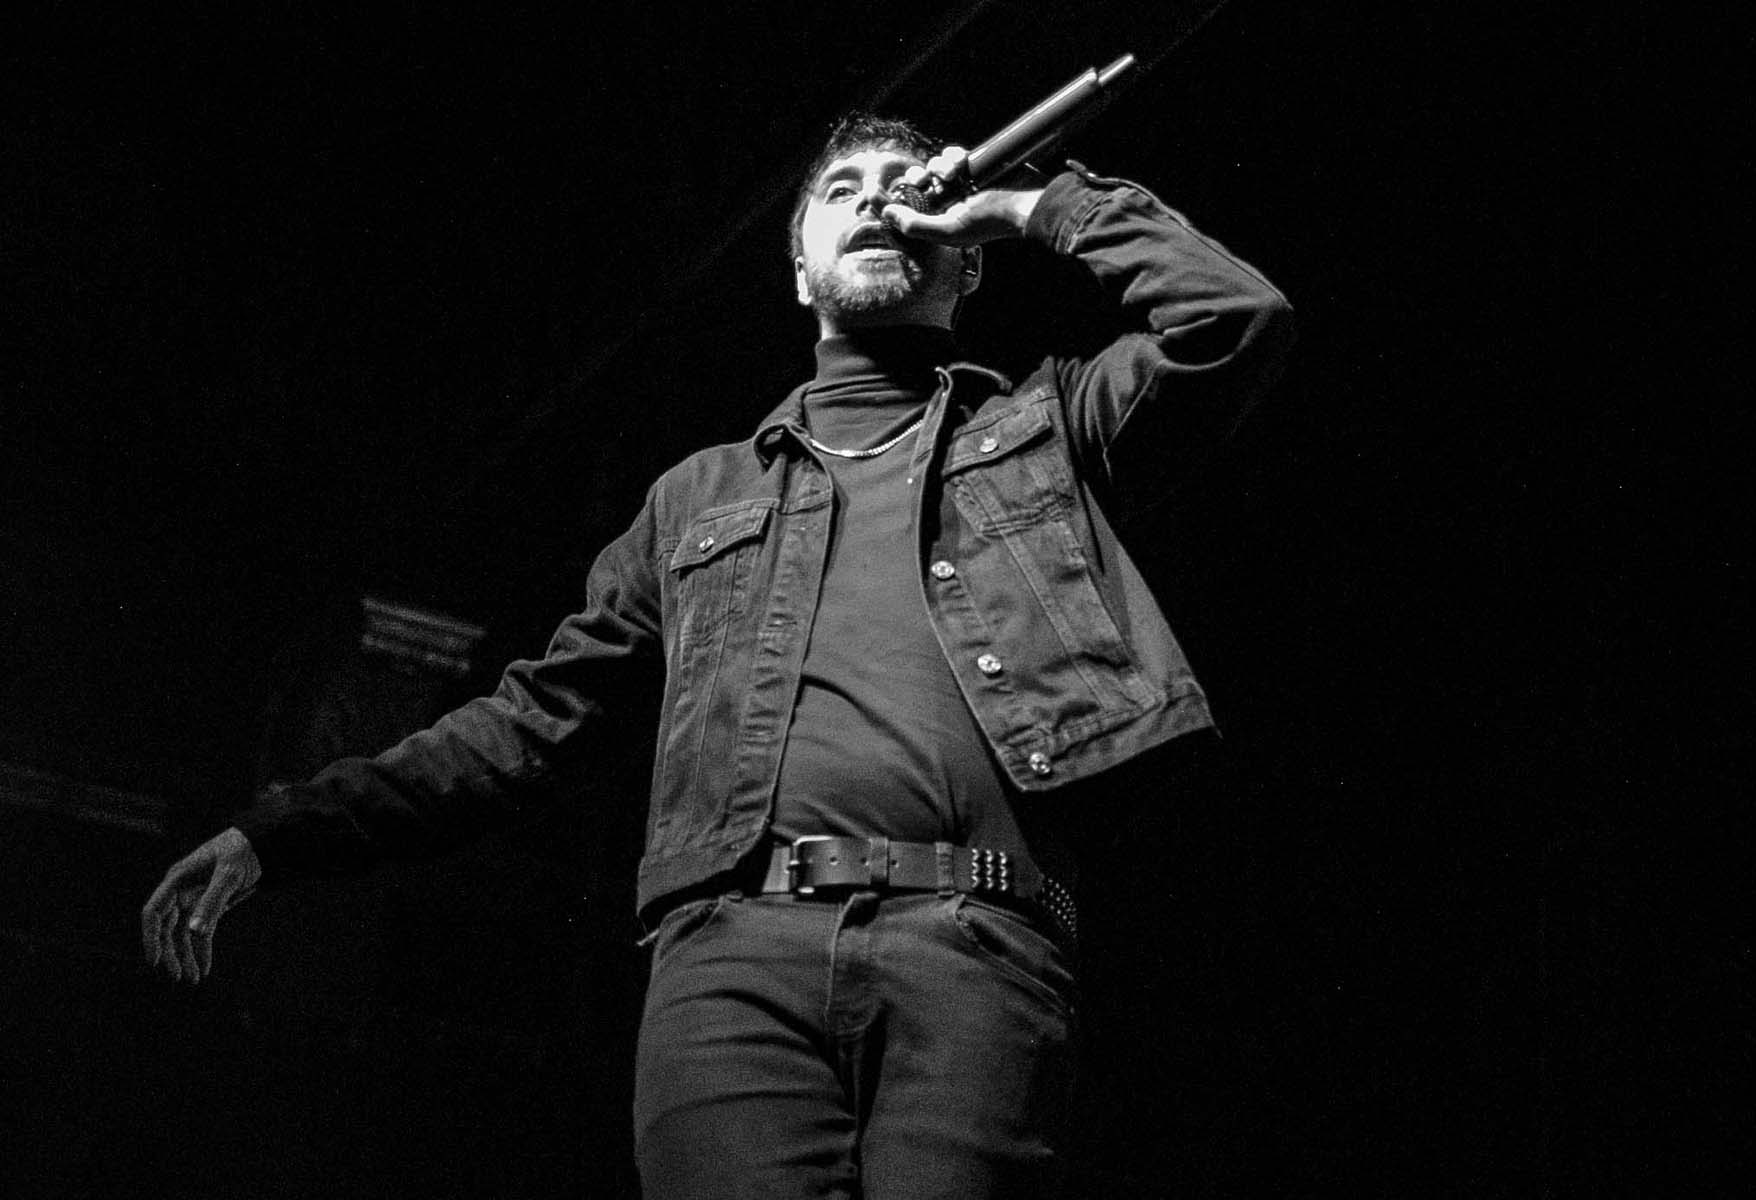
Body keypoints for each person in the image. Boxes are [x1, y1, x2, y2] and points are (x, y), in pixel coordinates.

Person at [142, 112, 1293, 1198]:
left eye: (906, 188)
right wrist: (281, 829)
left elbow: (1232, 316)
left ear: (963, 262)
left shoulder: (1045, 433)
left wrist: (1027, 206)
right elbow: (528, 724)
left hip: (976, 952)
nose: (879, 203)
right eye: (845, 191)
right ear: (799, 270)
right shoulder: (697, 498)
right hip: (736, 965)